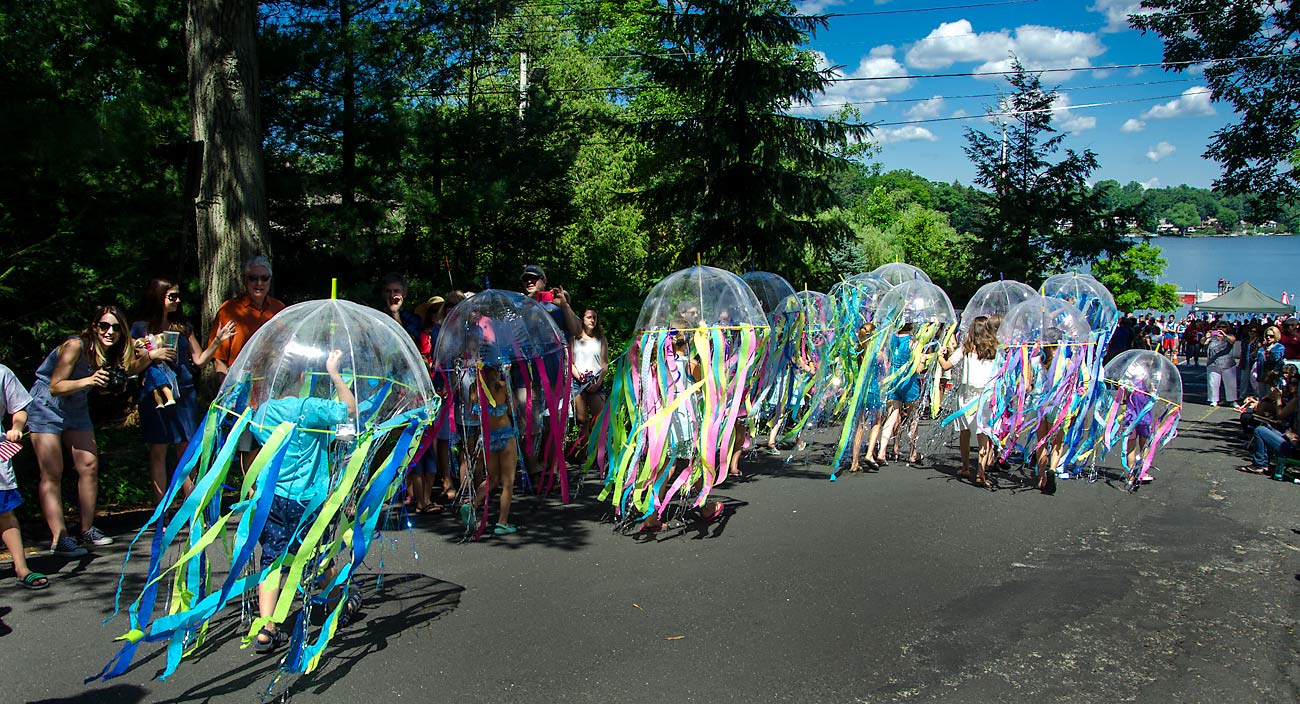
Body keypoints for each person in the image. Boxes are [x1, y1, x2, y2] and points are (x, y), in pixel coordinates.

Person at [249, 349, 359, 653]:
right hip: (306, 499)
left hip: (271, 499)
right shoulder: (309, 407)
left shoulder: (263, 411)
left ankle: (265, 628)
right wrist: (334, 372)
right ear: (302, 377)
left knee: (272, 558)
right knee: (317, 554)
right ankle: (339, 603)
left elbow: (260, 442)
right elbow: (348, 410)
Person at [28, 306, 153, 556]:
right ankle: (60, 538)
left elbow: (125, 371)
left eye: (116, 328)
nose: (110, 332)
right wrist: (89, 381)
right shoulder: (75, 345)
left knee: (89, 466)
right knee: (52, 471)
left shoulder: (109, 352)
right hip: (46, 406)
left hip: (76, 407)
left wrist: (150, 355)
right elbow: (55, 386)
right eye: (105, 326)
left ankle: (87, 529)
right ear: (94, 327)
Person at [132, 278, 237, 501]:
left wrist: (217, 341)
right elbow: (130, 367)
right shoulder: (140, 328)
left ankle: (193, 508)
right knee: (158, 451)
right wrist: (152, 355)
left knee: (186, 449)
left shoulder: (182, 326)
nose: (177, 301)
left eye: (178, 296)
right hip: (155, 394)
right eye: (172, 296)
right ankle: (161, 512)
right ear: (158, 297)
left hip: (184, 392)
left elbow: (199, 360)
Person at [209, 256, 285, 473]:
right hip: (243, 393)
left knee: (271, 444)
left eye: (264, 278)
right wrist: (228, 393)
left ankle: (265, 498)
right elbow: (219, 359)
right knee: (248, 447)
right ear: (245, 280)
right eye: (253, 278)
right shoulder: (229, 310)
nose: (259, 283)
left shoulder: (280, 309)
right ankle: (250, 499)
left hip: (274, 392)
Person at [458, 363, 520, 536]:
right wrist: (507, 380)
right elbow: (514, 408)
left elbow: (473, 415)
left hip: (488, 437)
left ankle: (471, 505)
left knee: (492, 478)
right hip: (506, 436)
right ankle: (502, 522)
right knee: (507, 482)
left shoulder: (474, 388)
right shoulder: (502, 386)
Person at [939, 316, 999, 488]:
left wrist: (939, 356)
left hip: (966, 396)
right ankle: (981, 472)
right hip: (986, 396)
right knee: (983, 434)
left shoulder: (964, 349)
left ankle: (965, 467)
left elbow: (946, 366)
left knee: (965, 432)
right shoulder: (994, 350)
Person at [0, 363, 46, 588]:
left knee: (5, 512)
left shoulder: (2, 372)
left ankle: (21, 568)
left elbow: (19, 407)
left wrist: (16, 426)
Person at [571, 307, 608, 459]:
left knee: (599, 419)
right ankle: (583, 453)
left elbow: (605, 364)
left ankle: (599, 454)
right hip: (578, 383)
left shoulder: (601, 339)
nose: (592, 320)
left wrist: (598, 383)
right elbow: (570, 362)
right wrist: (580, 378)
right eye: (588, 317)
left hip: (596, 383)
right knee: (582, 420)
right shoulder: (574, 339)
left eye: (594, 317)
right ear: (582, 319)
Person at [1204, 322, 1238, 408]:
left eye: (1223, 327)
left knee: (1230, 383)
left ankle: (1232, 400)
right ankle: (1213, 400)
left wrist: (1225, 335)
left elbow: (1233, 340)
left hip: (1227, 363)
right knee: (1213, 383)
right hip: (1213, 363)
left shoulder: (1229, 336)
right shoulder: (1213, 336)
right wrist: (1206, 337)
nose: (1221, 328)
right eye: (1219, 327)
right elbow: (1203, 343)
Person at [380, 273, 422, 340]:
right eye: (388, 291)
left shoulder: (412, 319)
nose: (392, 295)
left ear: (404, 293)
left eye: (396, 291)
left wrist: (395, 314)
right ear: (383, 293)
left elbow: (410, 342)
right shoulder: (376, 316)